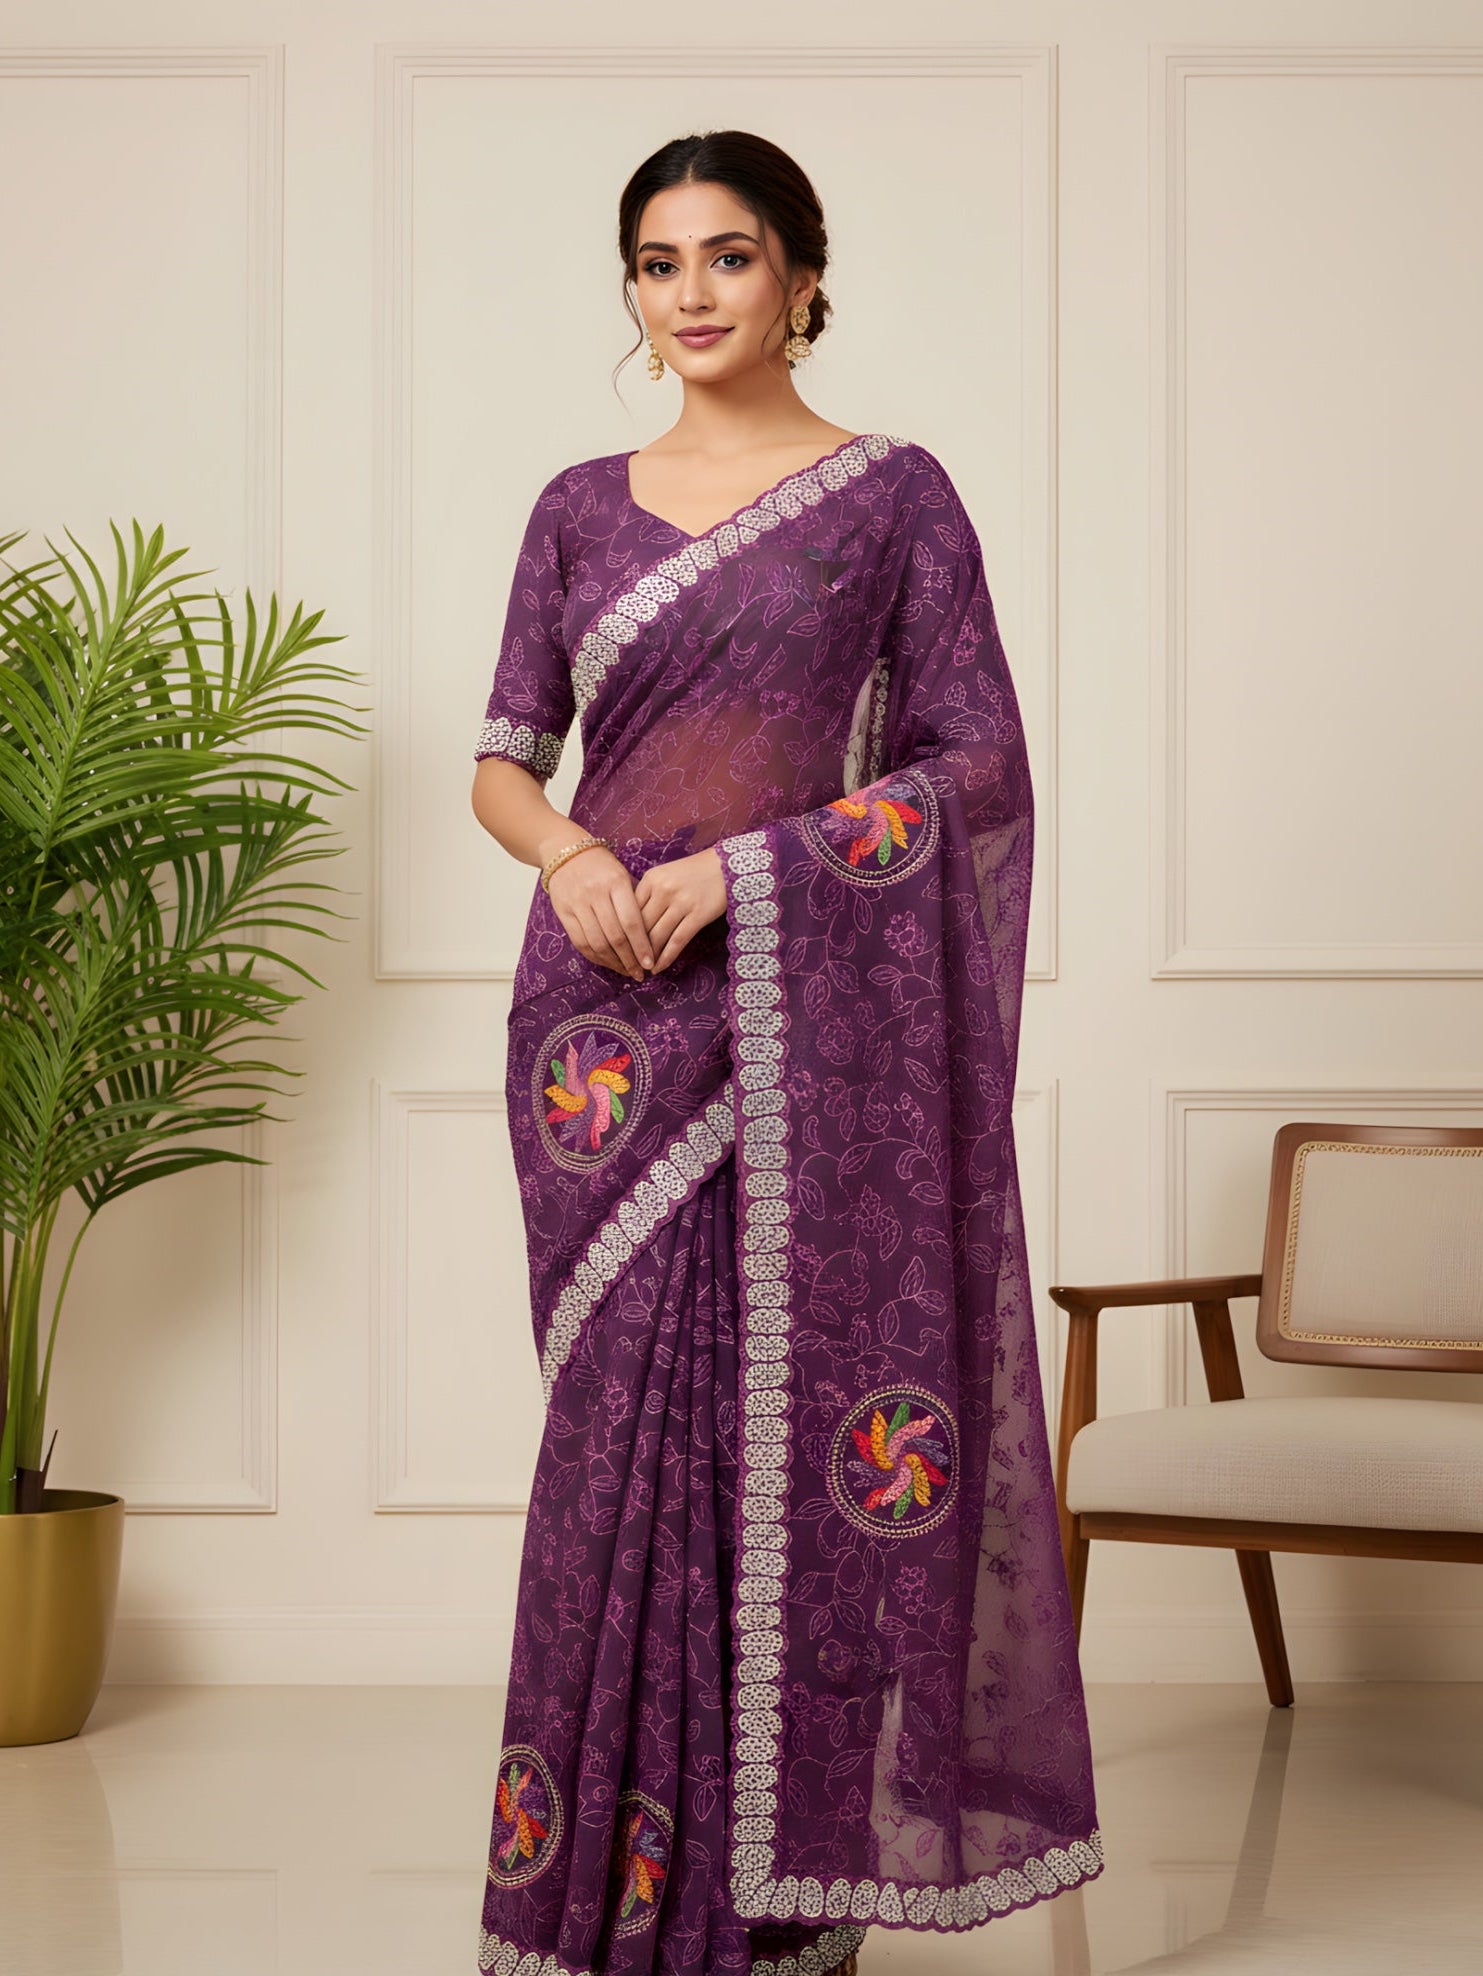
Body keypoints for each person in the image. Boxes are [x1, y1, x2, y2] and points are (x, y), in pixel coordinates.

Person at [469, 128, 1101, 1976]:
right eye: (658, 263)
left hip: (797, 1024)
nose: (692, 295)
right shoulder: (578, 507)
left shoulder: (891, 498)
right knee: (618, 1449)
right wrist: (578, 859)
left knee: (793, 1440)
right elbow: (504, 762)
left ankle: (779, 1899)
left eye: (729, 256)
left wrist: (750, 875)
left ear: (804, 276)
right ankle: (591, 1906)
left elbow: (979, 764)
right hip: (602, 1030)